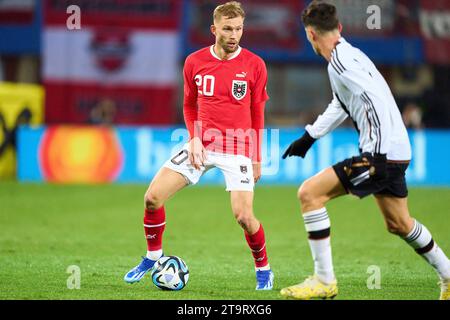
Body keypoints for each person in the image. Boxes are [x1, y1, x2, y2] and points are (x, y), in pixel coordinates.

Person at [281, 1, 449, 300]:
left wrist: (376, 155)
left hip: (380, 153)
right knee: (399, 223)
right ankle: (449, 275)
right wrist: (310, 136)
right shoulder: (349, 54)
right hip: (396, 149)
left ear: (310, 34)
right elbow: (341, 103)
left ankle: (324, 281)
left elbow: (370, 98)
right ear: (339, 28)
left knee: (309, 194)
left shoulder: (341, 64)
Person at [124, 1, 274, 290]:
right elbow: (189, 104)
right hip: (201, 145)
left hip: (239, 147)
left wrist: (256, 157)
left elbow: (258, 114)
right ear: (214, 29)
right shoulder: (194, 61)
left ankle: (264, 269)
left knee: (244, 216)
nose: (234, 35)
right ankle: (153, 256)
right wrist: (193, 137)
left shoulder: (255, 65)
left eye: (239, 29)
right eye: (228, 28)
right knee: (152, 198)